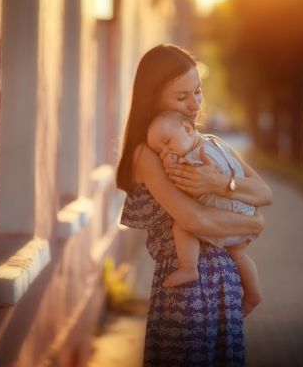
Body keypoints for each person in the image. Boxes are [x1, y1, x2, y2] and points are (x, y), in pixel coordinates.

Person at [116, 44, 272, 366]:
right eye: (181, 97)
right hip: (188, 290)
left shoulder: (209, 144)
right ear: (154, 97)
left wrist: (220, 184)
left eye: (197, 91)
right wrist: (253, 223)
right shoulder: (149, 154)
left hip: (225, 282)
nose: (195, 104)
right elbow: (195, 220)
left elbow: (263, 192)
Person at [146, 110, 263, 316]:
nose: (166, 152)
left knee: (182, 223)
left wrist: (172, 169)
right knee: (239, 254)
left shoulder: (193, 159)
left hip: (224, 213)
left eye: (168, 142)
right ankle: (253, 293)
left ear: (188, 129)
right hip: (244, 210)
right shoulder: (215, 143)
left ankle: (189, 267)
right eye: (160, 151)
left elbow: (187, 189)